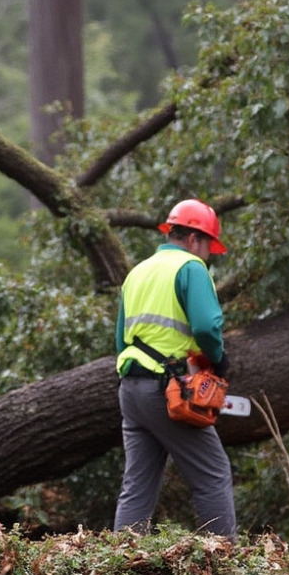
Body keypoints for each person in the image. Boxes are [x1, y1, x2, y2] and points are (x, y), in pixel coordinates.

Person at [113, 198, 236, 539]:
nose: (209, 254)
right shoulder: (191, 268)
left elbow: (121, 339)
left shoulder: (137, 272)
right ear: (195, 239)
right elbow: (207, 327)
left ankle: (118, 564)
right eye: (209, 246)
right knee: (213, 473)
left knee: (138, 483)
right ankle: (225, 559)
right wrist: (218, 361)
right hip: (166, 390)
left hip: (131, 389)